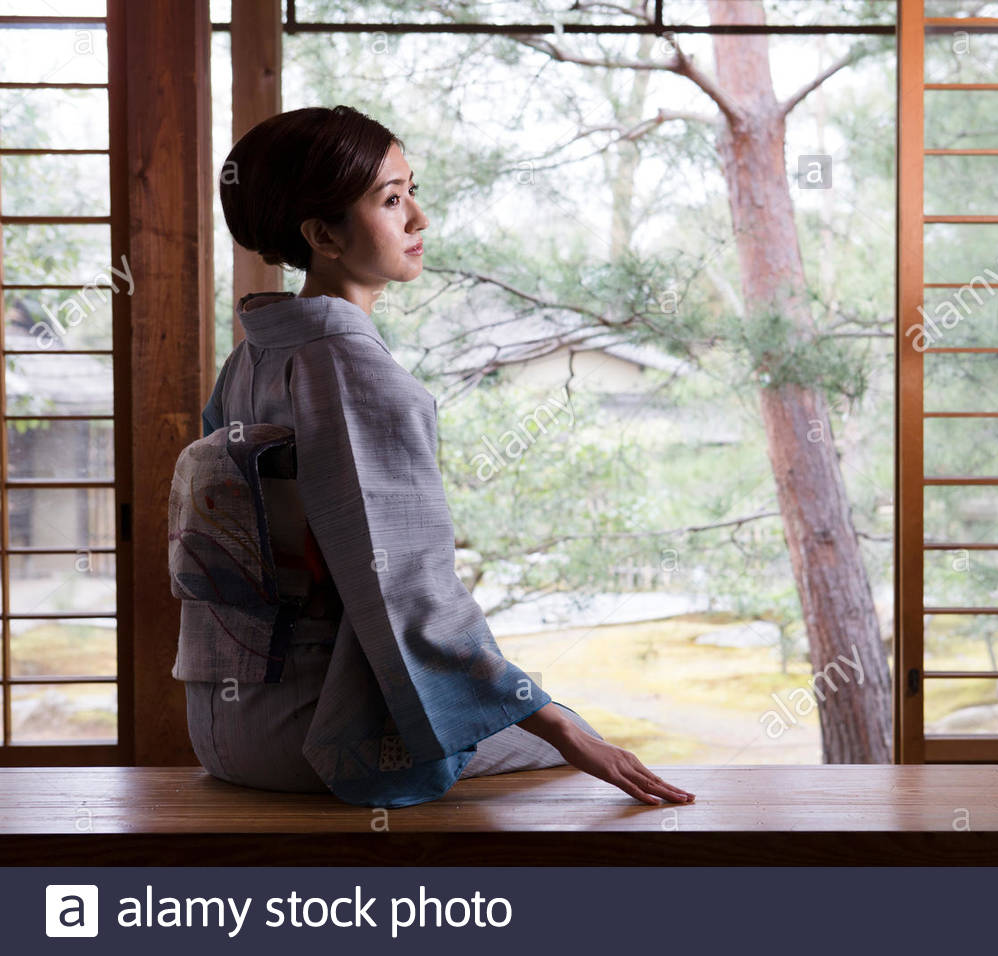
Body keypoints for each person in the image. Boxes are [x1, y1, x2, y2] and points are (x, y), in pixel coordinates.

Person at [190, 104, 695, 809]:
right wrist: (565, 729)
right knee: (558, 755)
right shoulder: (348, 370)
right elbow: (407, 590)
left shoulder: (251, 356)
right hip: (318, 736)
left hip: (225, 727)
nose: (419, 219)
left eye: (412, 191)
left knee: (527, 729)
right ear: (322, 234)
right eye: (392, 200)